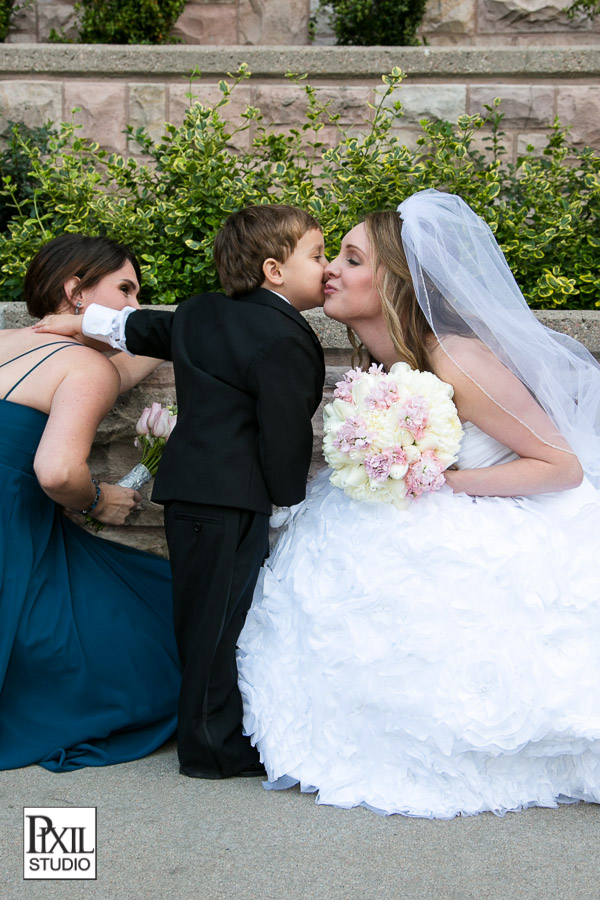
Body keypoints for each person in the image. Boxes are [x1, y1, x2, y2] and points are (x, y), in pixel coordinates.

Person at [237, 189, 600, 818]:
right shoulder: (384, 362)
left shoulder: (455, 357)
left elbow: (561, 466)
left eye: (350, 259)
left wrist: (437, 481)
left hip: (520, 515)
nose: (330, 270)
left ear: (393, 280)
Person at [34, 205, 327, 779]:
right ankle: (211, 748)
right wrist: (290, 501)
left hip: (192, 497)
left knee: (199, 619)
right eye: (316, 256)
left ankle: (207, 733)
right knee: (220, 622)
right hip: (233, 500)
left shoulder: (200, 313)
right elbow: (284, 432)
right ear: (273, 269)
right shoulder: (284, 338)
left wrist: (80, 322)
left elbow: (141, 328)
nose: (325, 267)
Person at [0, 233, 180, 772]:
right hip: (12, 538)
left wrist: (127, 328)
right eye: (124, 289)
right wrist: (97, 500)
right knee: (164, 622)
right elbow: (57, 473)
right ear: (75, 289)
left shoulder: (10, 341)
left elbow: (126, 359)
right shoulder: (84, 369)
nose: (133, 306)